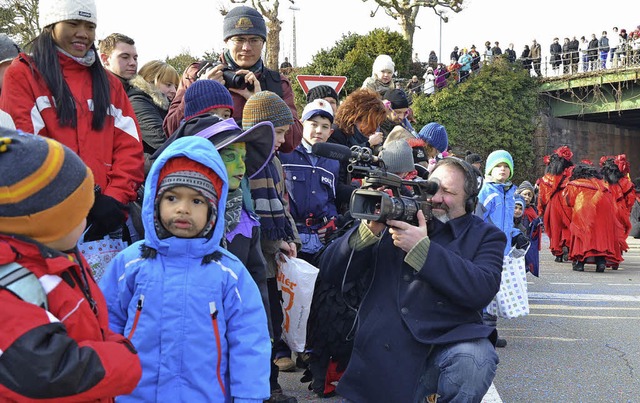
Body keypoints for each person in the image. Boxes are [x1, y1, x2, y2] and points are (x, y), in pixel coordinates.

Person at [318, 157, 505, 402]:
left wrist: (423, 251)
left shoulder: (487, 236)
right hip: (381, 353)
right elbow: (330, 272)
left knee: (476, 359)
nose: (436, 198)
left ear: (469, 200)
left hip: (445, 347)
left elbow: (482, 288)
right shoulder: (395, 218)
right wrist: (366, 233)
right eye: (432, 188)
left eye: (448, 192)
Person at [99, 135, 271, 401]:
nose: (183, 209)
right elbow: (107, 323)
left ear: (214, 210)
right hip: (135, 395)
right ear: (155, 202)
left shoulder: (228, 273)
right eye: (172, 198)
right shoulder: (131, 263)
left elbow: (249, 340)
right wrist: (105, 386)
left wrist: (248, 396)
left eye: (197, 201)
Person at [0, 129, 141, 400]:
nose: (87, 219)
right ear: (46, 222)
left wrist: (111, 342)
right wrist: (122, 359)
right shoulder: (11, 287)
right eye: (80, 212)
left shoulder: (58, 256)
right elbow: (47, 372)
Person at [0, 0, 144, 245]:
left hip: (107, 218)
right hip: (48, 220)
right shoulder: (24, 74)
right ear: (51, 25)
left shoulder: (109, 83)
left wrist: (114, 197)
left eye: (90, 26)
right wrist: (71, 201)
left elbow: (129, 145)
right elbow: (27, 148)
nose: (83, 34)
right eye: (73, 23)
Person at [163, 6, 302, 153]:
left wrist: (261, 104)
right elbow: (171, 130)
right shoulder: (198, 73)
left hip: (258, 172)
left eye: (254, 40)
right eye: (239, 39)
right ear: (226, 41)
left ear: (263, 43)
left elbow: (292, 142)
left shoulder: (277, 83)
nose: (246, 47)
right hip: (207, 165)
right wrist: (200, 90)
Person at [241, 91, 302, 375]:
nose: (280, 140)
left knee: (273, 322)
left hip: (273, 257)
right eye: (277, 132)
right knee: (256, 322)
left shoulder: (274, 162)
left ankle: (272, 384)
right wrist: (277, 242)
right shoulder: (241, 161)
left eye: (284, 133)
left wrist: (290, 239)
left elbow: (283, 204)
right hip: (252, 255)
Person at [477, 149, 528, 348]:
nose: (502, 170)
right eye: (498, 165)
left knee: (496, 294)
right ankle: (483, 334)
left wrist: (516, 235)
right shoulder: (486, 192)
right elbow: (478, 221)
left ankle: (489, 332)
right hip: (487, 249)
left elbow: (506, 223)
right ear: (490, 168)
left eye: (506, 167)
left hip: (503, 251)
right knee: (486, 292)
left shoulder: (508, 192)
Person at [280, 99, 339, 262]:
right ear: (301, 125)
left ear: (330, 132)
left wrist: (333, 221)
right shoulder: (285, 153)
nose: (319, 131)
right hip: (290, 240)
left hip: (319, 242)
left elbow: (331, 199)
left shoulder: (333, 162)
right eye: (313, 124)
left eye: (325, 126)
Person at [326, 88, 387, 211]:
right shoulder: (336, 136)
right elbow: (334, 184)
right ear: (356, 117)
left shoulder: (350, 137)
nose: (374, 129)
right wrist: (364, 194)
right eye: (371, 123)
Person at [561, 163, 621, 272]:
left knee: (582, 233)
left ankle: (580, 262)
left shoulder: (575, 184)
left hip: (584, 208)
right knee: (600, 234)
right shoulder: (600, 184)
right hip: (604, 207)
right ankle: (600, 262)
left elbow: (568, 201)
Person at [128, 60, 180, 172]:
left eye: (176, 86)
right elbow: (161, 138)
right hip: (148, 171)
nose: (174, 91)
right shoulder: (137, 101)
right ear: (150, 81)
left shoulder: (164, 106)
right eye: (168, 85)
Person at [538, 146, 574, 262]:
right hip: (567, 202)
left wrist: (541, 209)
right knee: (568, 226)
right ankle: (567, 246)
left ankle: (558, 252)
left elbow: (542, 196)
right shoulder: (571, 176)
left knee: (555, 228)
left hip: (553, 204)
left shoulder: (547, 178)